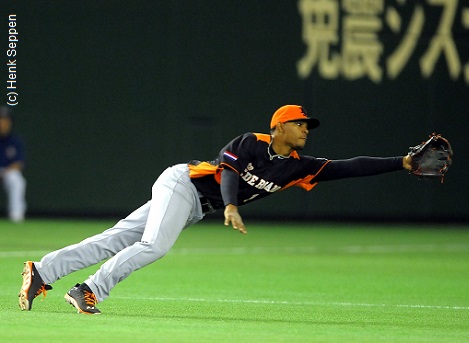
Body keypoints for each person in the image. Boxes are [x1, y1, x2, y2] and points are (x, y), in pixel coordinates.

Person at [18, 105, 413, 315]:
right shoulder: (252, 142)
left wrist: (402, 163)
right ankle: (88, 289)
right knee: (154, 245)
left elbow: (351, 165)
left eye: (308, 124)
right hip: (183, 183)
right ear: (278, 128)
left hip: (194, 204)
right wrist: (229, 205)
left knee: (117, 238)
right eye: (299, 123)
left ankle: (44, 272)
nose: (306, 129)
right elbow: (227, 173)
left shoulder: (300, 166)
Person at [0, 106, 26, 223]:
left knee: (17, 180)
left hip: (7, 172)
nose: (3, 123)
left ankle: (16, 216)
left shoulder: (15, 140)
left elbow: (19, 164)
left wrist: (4, 173)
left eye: (5, 120)